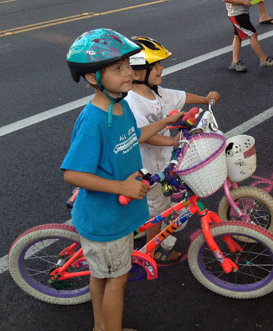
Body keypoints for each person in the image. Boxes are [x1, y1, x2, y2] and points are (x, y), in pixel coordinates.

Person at [62, 28, 183, 331]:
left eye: (128, 66)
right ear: (93, 78)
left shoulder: (121, 105)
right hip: (106, 220)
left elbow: (134, 136)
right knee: (116, 279)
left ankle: (101, 326)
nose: (129, 73)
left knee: (104, 275)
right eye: (118, 69)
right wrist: (121, 187)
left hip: (121, 212)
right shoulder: (94, 121)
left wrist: (165, 123)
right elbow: (73, 173)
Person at [126, 36, 220, 263]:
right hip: (146, 167)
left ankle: (143, 230)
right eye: (155, 66)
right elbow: (141, 134)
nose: (161, 69)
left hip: (164, 162)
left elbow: (180, 97)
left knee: (164, 202)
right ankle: (153, 251)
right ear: (137, 74)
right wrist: (172, 141)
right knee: (158, 208)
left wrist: (205, 98)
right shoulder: (132, 101)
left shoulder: (157, 92)